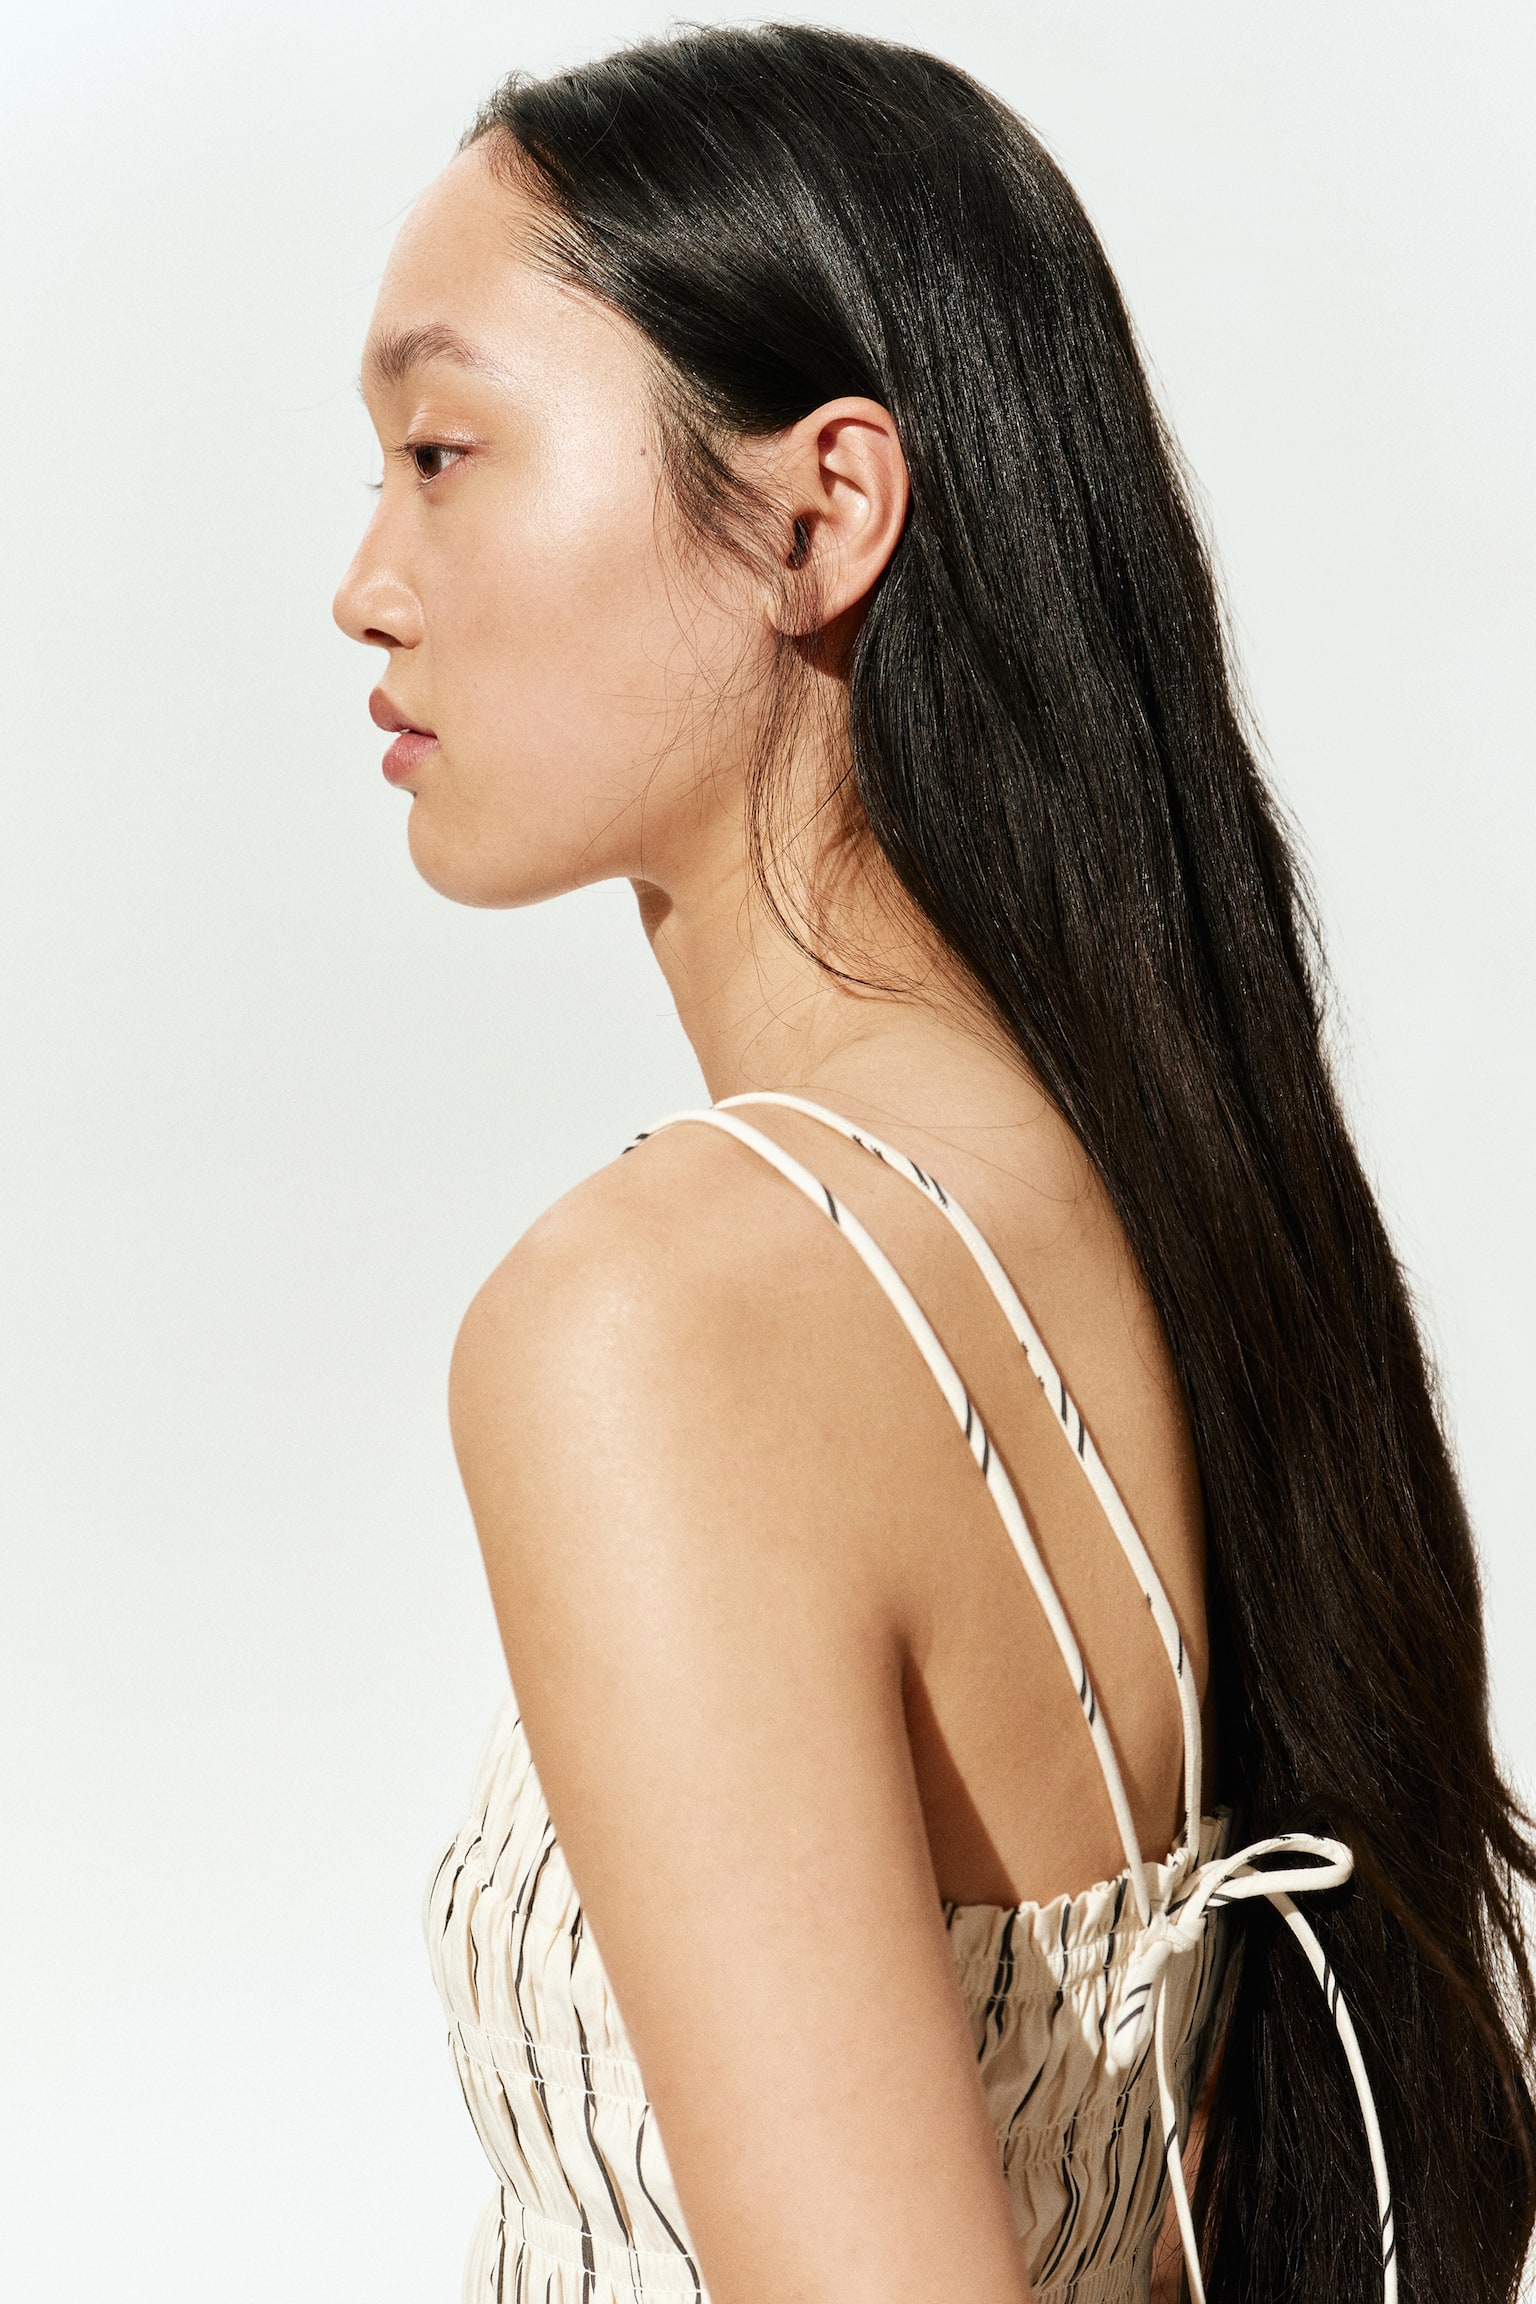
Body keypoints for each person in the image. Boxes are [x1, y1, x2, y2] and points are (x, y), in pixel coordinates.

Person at [332, 25, 1536, 2304]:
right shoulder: (1153, 1203)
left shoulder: (662, 1313)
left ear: (821, 512)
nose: (368, 582)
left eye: (443, 451)